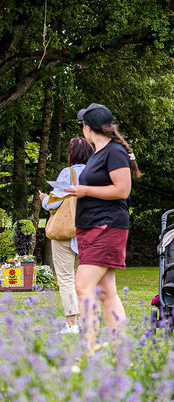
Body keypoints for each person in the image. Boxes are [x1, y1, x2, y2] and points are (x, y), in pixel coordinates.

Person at [66, 103, 142, 349]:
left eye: (82, 125)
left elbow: (122, 190)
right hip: (92, 227)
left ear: (89, 128)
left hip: (106, 227)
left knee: (83, 285)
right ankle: (119, 345)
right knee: (107, 291)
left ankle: (88, 347)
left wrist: (85, 190)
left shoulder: (114, 151)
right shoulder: (98, 153)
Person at [39, 137, 94, 334]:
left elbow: (52, 203)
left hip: (65, 233)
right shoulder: (96, 174)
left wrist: (44, 199)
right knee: (83, 280)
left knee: (66, 279)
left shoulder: (69, 173)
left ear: (72, 155)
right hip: (88, 232)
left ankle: (72, 325)